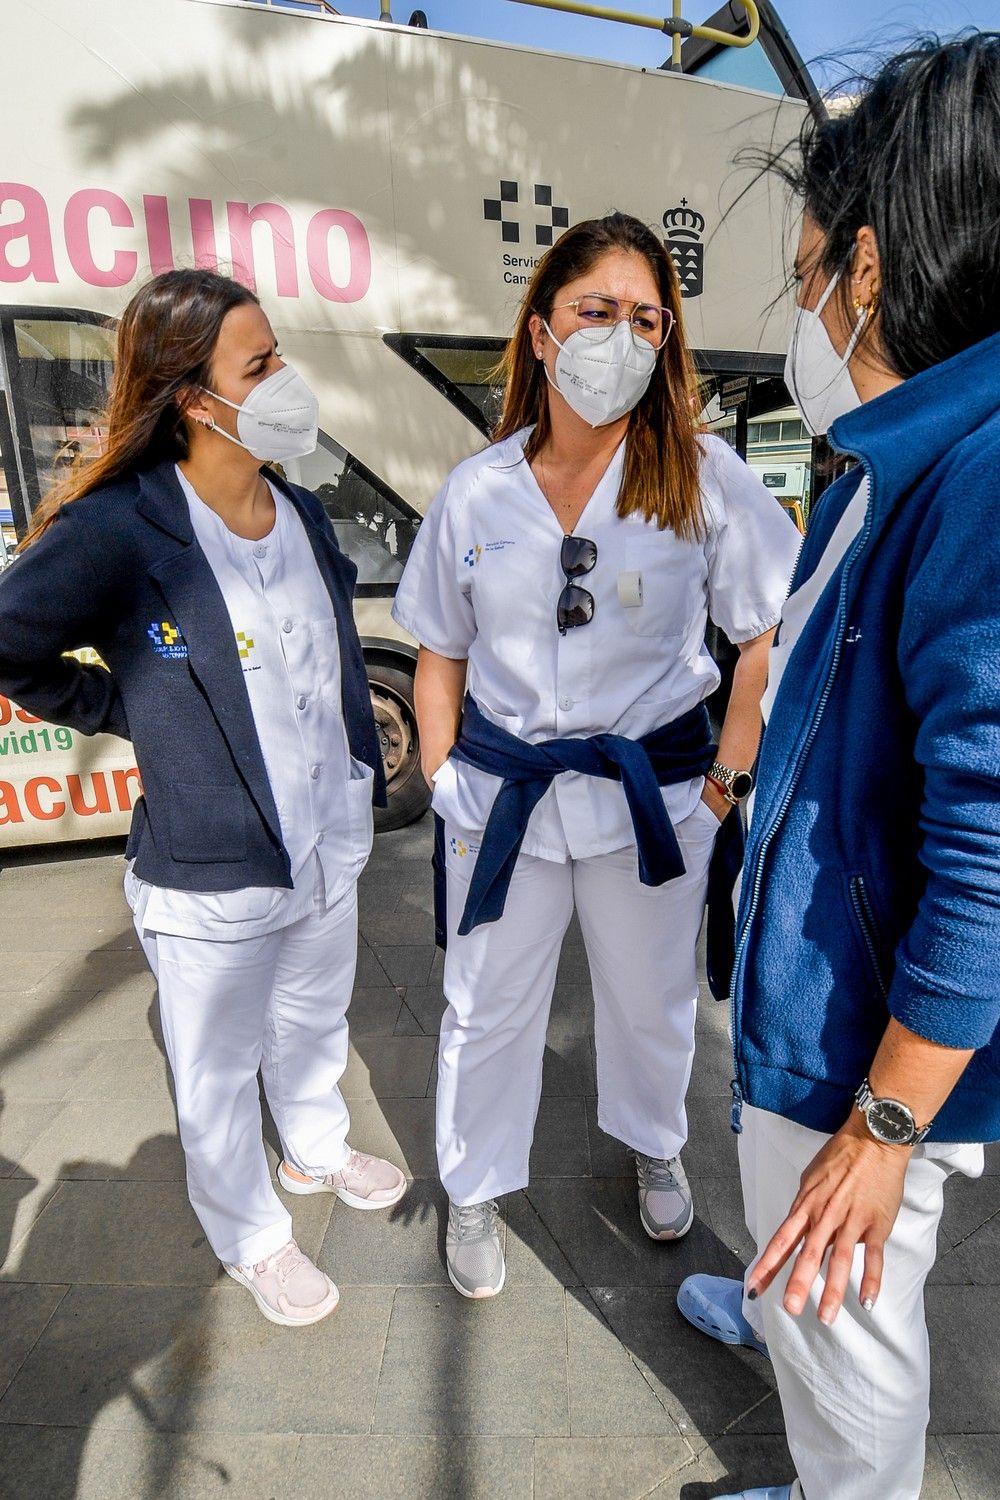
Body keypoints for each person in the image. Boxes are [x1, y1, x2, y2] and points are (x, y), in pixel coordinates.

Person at [676, 32, 1000, 1500]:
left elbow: (994, 846)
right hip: (818, 1006)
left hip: (861, 1050)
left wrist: (880, 1126)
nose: (796, 297)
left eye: (805, 263)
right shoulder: (887, 462)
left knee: (848, 1308)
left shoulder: (979, 478)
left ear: (864, 269)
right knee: (809, 1291)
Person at [392, 211, 801, 1299]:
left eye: (646, 318)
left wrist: (725, 780)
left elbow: (766, 632)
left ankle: (653, 1143)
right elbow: (437, 652)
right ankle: (473, 1185)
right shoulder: (476, 490)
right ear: (538, 333)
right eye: (595, 311)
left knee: (651, 997)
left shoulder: (702, 474)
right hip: (503, 799)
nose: (620, 335)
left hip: (658, 799)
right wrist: (440, 779)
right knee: (485, 1001)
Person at [0, 269, 408, 1327]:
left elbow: (326, 666)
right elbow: (10, 639)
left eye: (278, 355)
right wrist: (120, 705)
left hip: (325, 836)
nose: (287, 379)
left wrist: (360, 780)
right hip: (213, 863)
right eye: (261, 363)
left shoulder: (303, 512)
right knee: (219, 1068)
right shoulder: (121, 528)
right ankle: (251, 1235)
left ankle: (316, 1148)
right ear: (192, 397)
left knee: (315, 1017)